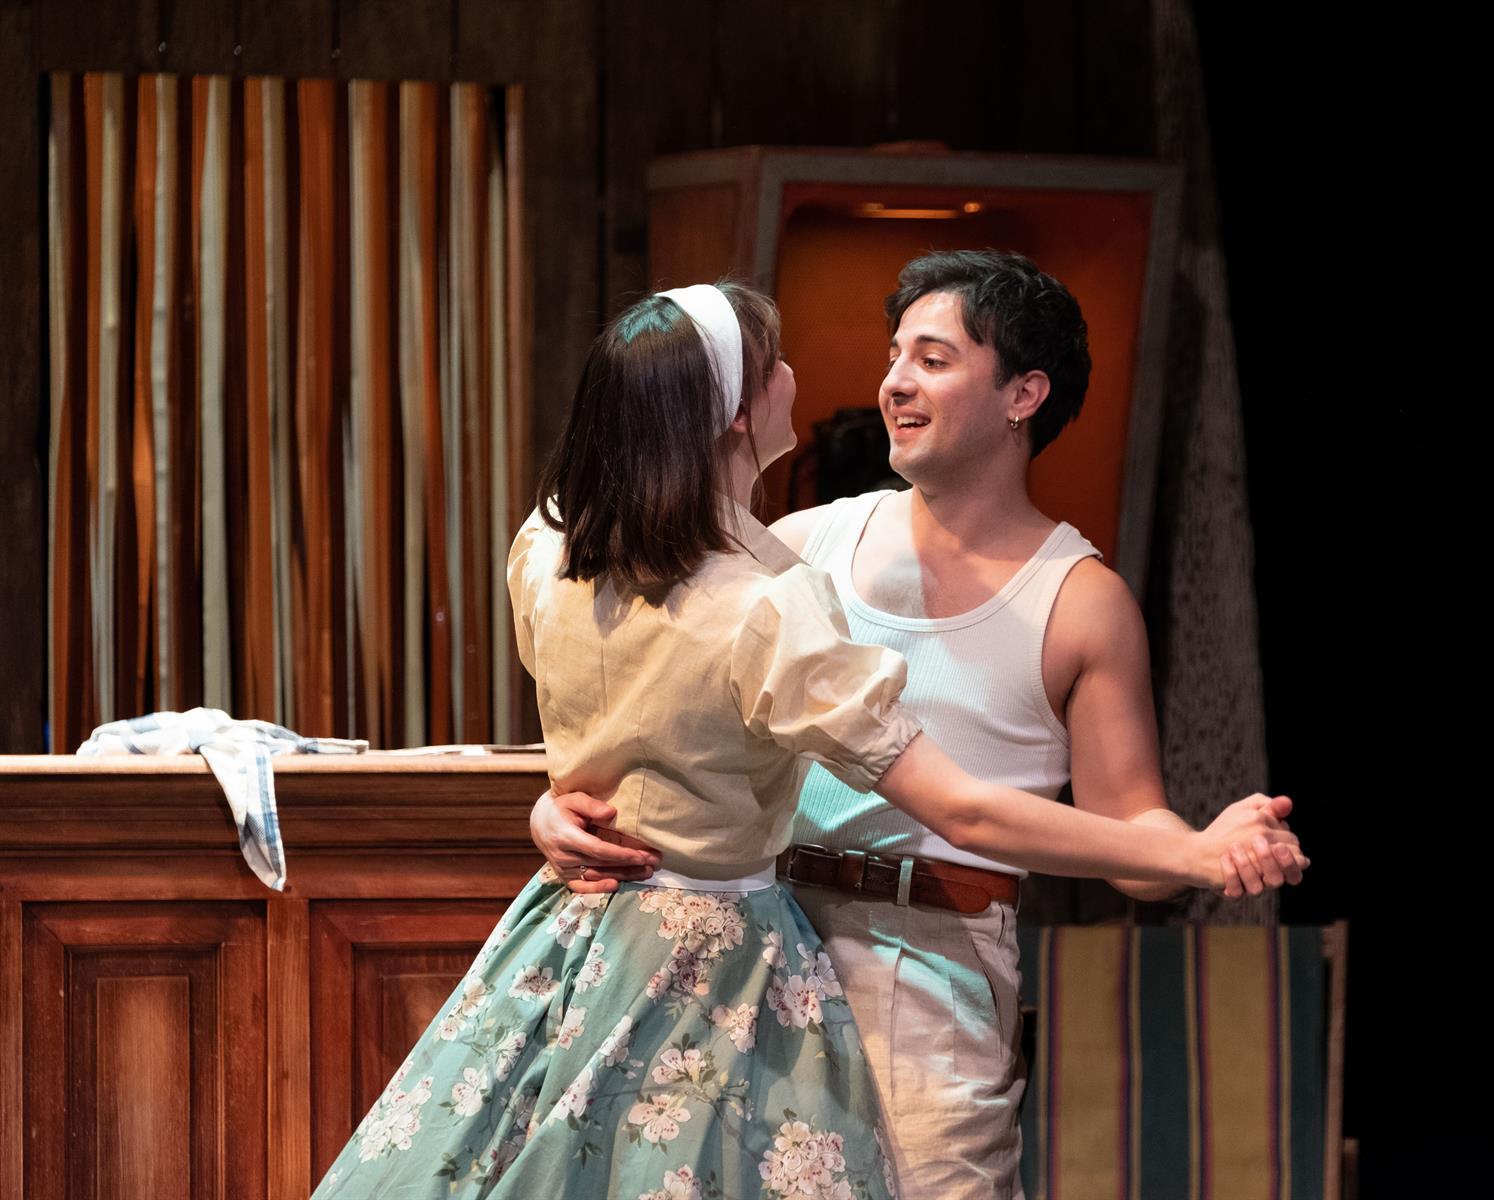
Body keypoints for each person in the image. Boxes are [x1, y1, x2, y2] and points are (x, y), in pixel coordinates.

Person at [313, 281, 1304, 1200]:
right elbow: (657, 701)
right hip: (754, 944)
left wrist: (1198, 850)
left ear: (1023, 394)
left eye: (932, 358)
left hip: (921, 967)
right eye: (893, 354)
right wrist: (559, 801)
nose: (893, 382)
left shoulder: (1078, 601)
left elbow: (1119, 834)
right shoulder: (798, 549)